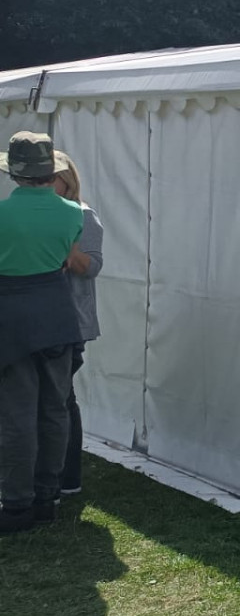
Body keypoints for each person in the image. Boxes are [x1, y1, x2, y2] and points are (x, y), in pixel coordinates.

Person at [0, 133, 86, 533]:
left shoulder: (3, 214)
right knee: (55, 410)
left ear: (15, 174)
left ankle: (16, 503)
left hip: (12, 315)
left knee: (17, 414)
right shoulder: (72, 212)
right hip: (56, 313)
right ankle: (47, 497)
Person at [50, 151, 102, 498]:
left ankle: (68, 479)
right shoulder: (38, 215)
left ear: (66, 181)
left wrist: (68, 250)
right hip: (43, 320)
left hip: (69, 322)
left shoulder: (83, 216)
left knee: (62, 400)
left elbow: (93, 265)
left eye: (49, 178)